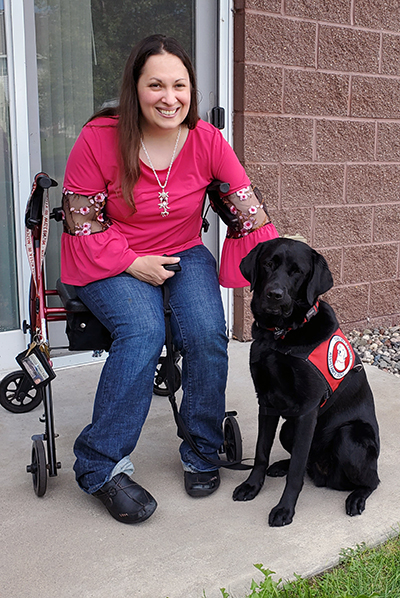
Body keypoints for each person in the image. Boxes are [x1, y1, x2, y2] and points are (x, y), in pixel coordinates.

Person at [61, 34, 278, 524]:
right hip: (112, 256)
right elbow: (82, 223)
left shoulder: (206, 141)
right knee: (143, 334)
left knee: (205, 333)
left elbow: (245, 206)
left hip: (182, 252)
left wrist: (279, 265)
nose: (169, 96)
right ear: (135, 88)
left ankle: (202, 449)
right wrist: (132, 261)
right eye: (155, 84)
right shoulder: (99, 138)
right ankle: (99, 466)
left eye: (179, 85)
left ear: (192, 90)